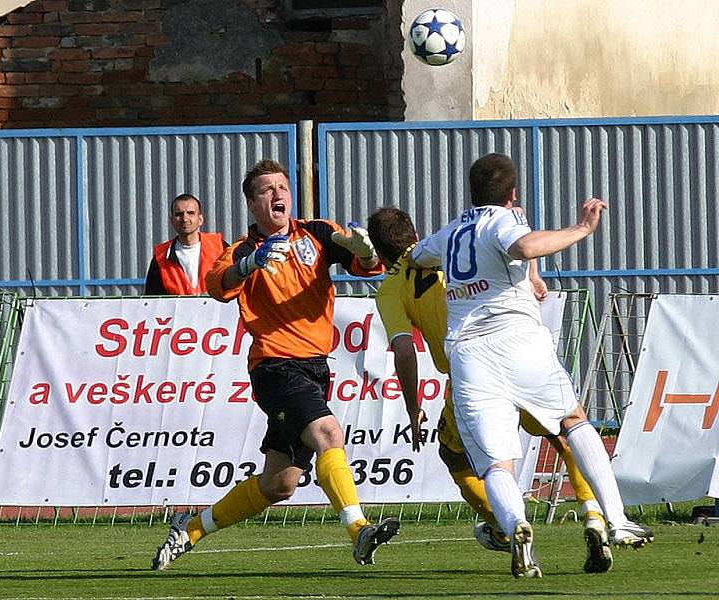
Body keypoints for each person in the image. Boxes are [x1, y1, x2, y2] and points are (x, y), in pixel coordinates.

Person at [411, 153, 653, 578]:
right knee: (573, 421)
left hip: (469, 355)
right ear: (513, 193)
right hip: (517, 340)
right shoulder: (505, 223)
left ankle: (516, 525)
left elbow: (418, 257)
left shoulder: (451, 232)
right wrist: (582, 228)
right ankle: (615, 520)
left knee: (496, 465)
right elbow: (522, 246)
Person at [151, 159, 399, 570]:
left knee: (279, 483)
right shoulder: (245, 249)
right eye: (267, 190)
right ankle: (359, 530)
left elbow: (370, 266)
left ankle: (190, 528)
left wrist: (365, 250)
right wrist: (251, 264)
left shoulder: (317, 232)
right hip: (274, 367)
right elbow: (217, 284)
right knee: (328, 433)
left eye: (282, 187)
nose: (278, 194)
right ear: (252, 204)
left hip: (316, 369)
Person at [367, 206, 613, 574]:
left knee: (460, 458)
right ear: (414, 231)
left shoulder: (391, 287)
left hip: (471, 374)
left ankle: (506, 525)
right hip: (516, 353)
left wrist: (413, 405)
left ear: (380, 249)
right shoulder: (451, 246)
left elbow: (404, 350)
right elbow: (517, 243)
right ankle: (593, 515)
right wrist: (533, 275)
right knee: (564, 433)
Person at [144, 194, 227, 295]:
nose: (185, 219)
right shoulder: (161, 257)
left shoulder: (220, 247)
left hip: (215, 310)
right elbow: (153, 301)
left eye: (190, 213)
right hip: (177, 311)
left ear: (200, 219)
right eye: (179, 214)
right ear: (172, 221)